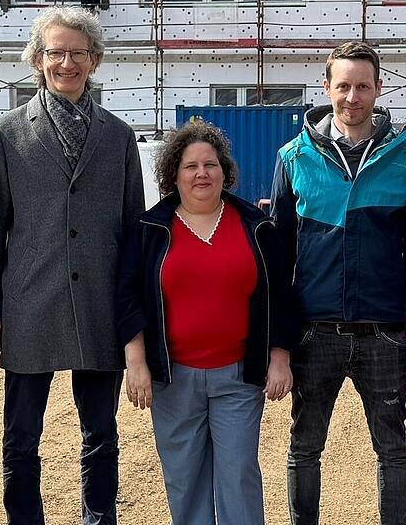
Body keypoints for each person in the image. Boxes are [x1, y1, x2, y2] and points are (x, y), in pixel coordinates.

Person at [0, 6, 145, 525]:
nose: (66, 62)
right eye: (56, 52)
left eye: (78, 52)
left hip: (100, 305)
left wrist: (133, 313)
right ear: (37, 59)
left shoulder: (118, 137)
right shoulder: (8, 133)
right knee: (22, 436)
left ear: (94, 60)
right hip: (29, 302)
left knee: (101, 433)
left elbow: (134, 228)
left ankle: (100, 519)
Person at [271, 40, 406, 525]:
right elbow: (278, 258)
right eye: (343, 85)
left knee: (393, 450)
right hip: (313, 332)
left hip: (384, 332)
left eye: (363, 86)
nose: (353, 96)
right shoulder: (293, 157)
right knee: (304, 448)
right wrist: (280, 342)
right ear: (326, 87)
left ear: (379, 89)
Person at [115, 119, 299, 525]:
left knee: (238, 476)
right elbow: (127, 296)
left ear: (224, 171)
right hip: (173, 377)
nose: (202, 173)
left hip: (238, 376)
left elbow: (281, 295)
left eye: (211, 164)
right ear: (173, 175)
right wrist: (136, 360)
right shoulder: (149, 229)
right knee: (184, 479)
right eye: (190, 166)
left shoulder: (256, 226)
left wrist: (280, 356)